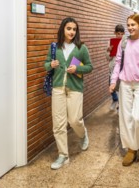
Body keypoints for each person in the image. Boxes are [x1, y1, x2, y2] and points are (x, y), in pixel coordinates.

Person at [44, 17, 93, 170]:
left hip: (75, 88)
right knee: (58, 124)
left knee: (74, 120)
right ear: (63, 29)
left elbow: (90, 67)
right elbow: (46, 64)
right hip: (58, 88)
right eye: (68, 28)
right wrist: (50, 65)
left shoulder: (81, 48)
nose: (71, 32)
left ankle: (83, 134)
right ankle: (63, 155)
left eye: (74, 29)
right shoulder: (54, 47)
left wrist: (77, 68)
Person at [109, 13, 139, 166]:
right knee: (126, 117)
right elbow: (117, 62)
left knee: (138, 117)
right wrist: (113, 80)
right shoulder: (124, 42)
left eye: (133, 25)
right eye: (128, 25)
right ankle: (131, 149)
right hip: (125, 84)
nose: (130, 28)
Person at [106, 24, 125, 111]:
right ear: (115, 33)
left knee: (121, 88)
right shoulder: (111, 42)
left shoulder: (126, 42)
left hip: (122, 69)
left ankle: (120, 106)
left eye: (121, 34)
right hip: (112, 69)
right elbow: (108, 58)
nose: (120, 36)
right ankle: (115, 99)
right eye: (118, 33)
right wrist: (108, 51)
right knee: (111, 86)